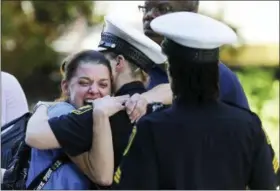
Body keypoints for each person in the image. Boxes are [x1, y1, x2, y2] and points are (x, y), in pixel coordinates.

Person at [113, 12, 278, 190]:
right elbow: (267, 185)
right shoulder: (249, 126)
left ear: (172, 72)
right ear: (216, 70)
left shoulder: (151, 128)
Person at [25, 14, 168, 187]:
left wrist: (43, 107)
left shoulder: (96, 115)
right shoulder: (165, 107)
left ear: (118, 63)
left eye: (103, 59)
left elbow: (34, 135)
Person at [25, 50, 127, 189]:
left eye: (103, 85)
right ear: (66, 87)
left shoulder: (93, 119)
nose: (94, 90)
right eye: (84, 83)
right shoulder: (63, 113)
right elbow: (103, 178)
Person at [140, 0, 250, 109]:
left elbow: (244, 124)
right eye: (146, 9)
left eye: (163, 9)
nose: (148, 15)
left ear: (191, 14)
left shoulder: (221, 77)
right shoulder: (130, 70)